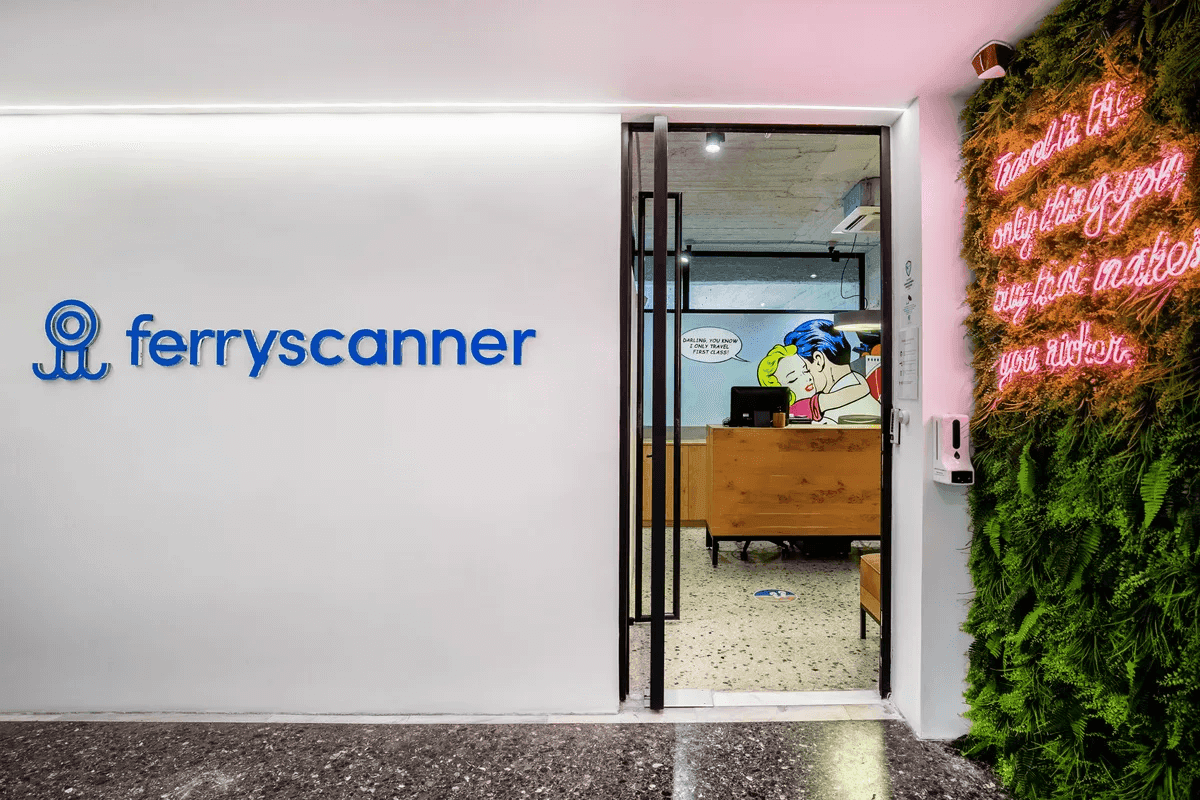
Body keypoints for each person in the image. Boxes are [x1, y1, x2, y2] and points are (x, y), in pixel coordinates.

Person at [757, 319, 880, 423]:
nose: (808, 377)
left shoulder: (830, 419)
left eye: (806, 369)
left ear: (818, 360)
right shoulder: (863, 391)